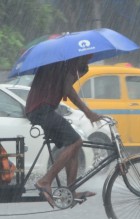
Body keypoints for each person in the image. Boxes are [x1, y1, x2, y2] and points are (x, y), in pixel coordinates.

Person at [25, 54, 102, 208]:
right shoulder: (69, 61)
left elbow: (64, 90)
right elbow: (67, 90)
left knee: (72, 144)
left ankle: (71, 191)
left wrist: (80, 71)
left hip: (40, 109)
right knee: (76, 141)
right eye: (87, 58)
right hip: (42, 109)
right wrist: (88, 112)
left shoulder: (61, 61)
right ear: (82, 54)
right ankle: (45, 181)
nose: (89, 60)